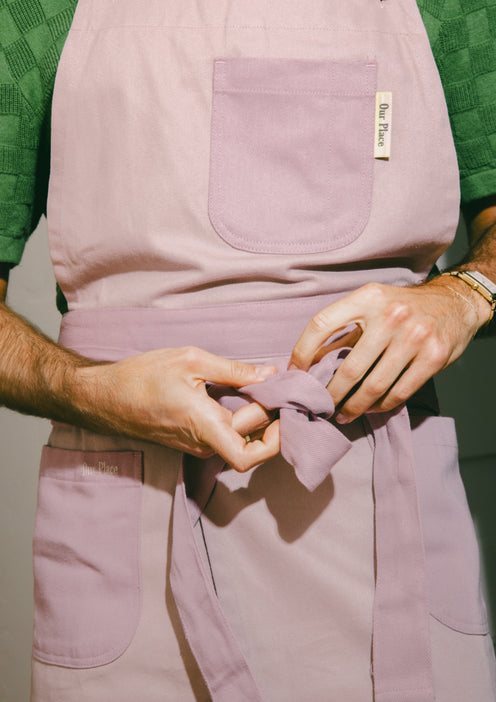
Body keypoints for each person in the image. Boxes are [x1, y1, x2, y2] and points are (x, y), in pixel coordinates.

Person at [1, 0, 496, 700]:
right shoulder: (33, 13)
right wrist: (89, 390)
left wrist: (466, 292)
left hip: (382, 505)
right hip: (128, 517)